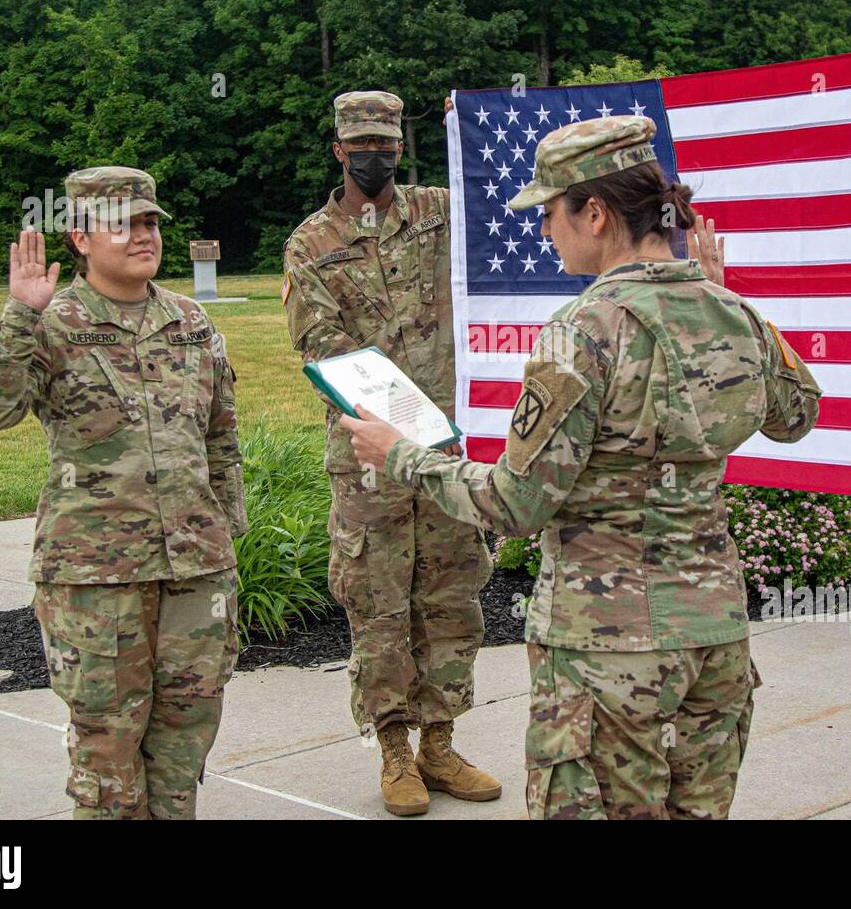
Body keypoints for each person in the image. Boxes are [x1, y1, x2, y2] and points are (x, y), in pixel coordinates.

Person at [341, 115, 822, 819]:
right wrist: (730, 300)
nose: (543, 231)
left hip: (608, 650)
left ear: (594, 212)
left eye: (550, 212)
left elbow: (515, 503)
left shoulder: (584, 330)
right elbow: (797, 413)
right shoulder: (731, 314)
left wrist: (404, 457)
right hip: (713, 644)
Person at [0, 167, 246, 819]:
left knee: (180, 752)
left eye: (151, 222)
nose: (145, 234)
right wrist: (19, 314)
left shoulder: (192, 323)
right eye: (126, 223)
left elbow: (222, 438)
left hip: (196, 575)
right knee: (108, 764)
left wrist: (227, 541)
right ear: (82, 237)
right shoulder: (51, 325)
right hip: (94, 580)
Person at [282, 91, 501, 816]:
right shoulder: (311, 243)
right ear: (339, 149)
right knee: (379, 604)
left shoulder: (440, 211)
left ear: (402, 146)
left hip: (443, 454)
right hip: (370, 455)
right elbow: (322, 346)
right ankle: (395, 750)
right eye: (361, 144)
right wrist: (397, 420)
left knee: (451, 593)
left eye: (387, 142)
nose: (374, 154)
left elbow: (498, 198)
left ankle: (440, 743)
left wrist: (469, 120)